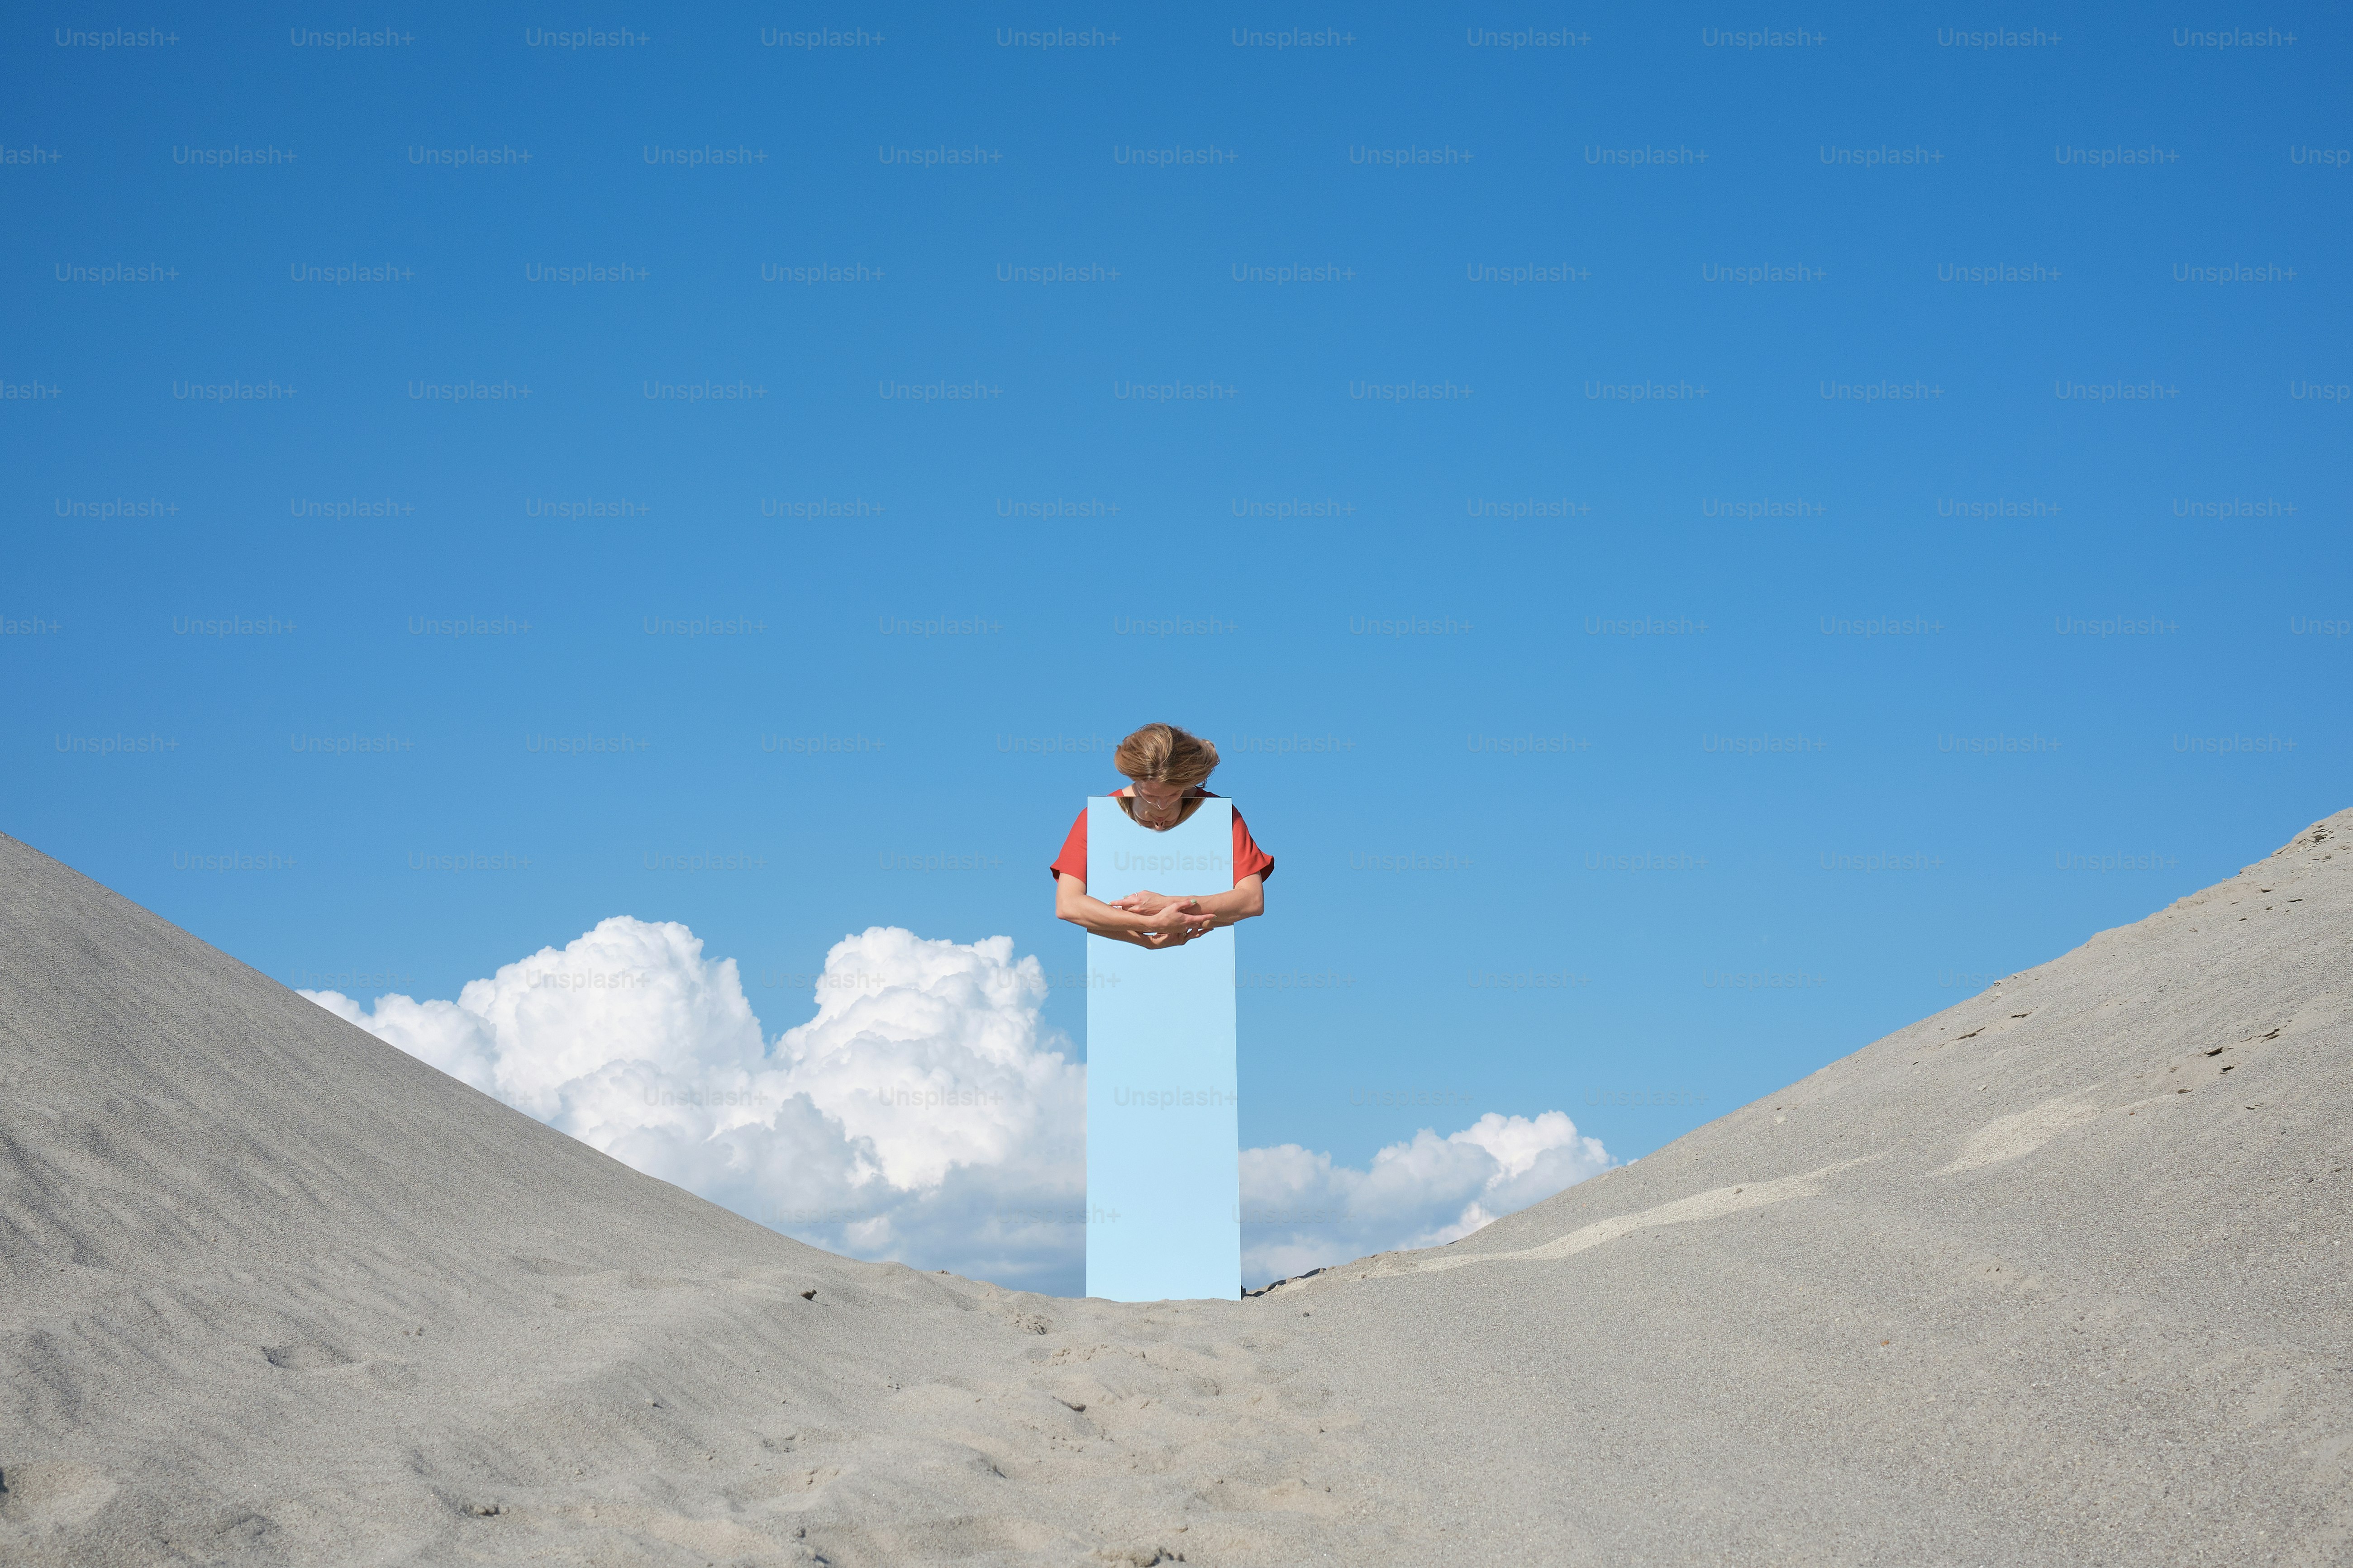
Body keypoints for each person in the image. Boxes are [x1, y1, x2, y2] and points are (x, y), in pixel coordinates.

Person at [1050, 722, 1272, 950]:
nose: (1162, 804)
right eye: (1150, 795)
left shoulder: (1223, 816)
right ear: (1135, 778)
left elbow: (1252, 900)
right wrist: (1150, 925)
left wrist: (1169, 905)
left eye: (1174, 793)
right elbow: (1068, 904)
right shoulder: (1095, 818)